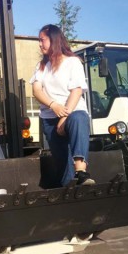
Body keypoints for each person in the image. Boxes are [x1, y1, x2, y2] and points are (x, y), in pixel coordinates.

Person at [29, 24, 94, 186]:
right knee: (63, 162)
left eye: (42, 40)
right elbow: (37, 90)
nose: (39, 44)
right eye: (39, 40)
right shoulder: (41, 66)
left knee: (79, 118)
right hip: (50, 119)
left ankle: (81, 171)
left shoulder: (73, 62)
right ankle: (69, 190)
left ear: (54, 40)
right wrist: (53, 105)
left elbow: (77, 91)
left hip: (72, 112)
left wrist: (64, 116)